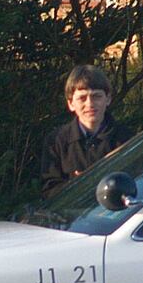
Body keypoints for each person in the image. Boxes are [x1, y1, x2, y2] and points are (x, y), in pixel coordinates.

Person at [39, 65, 118, 196]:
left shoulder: (126, 139)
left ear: (108, 99)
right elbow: (49, 190)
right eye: (82, 98)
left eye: (96, 96)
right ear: (71, 103)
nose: (90, 104)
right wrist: (76, 185)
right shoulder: (56, 141)